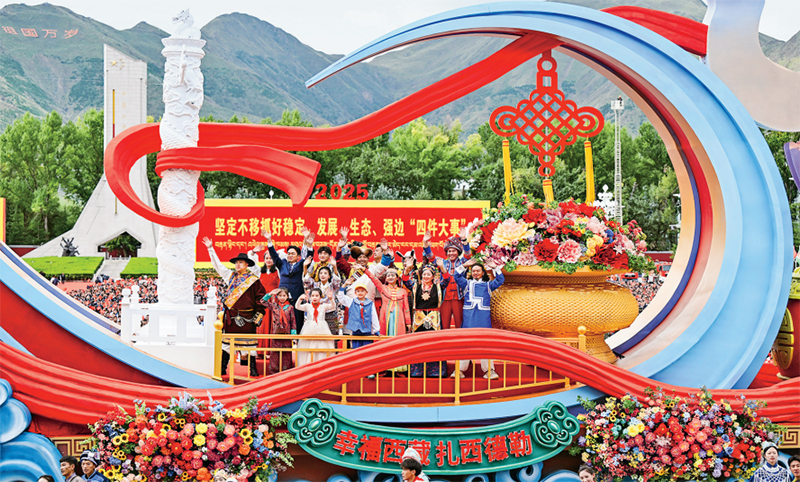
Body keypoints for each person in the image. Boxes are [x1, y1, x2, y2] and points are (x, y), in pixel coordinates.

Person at [203, 237, 266, 378]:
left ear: (247, 264)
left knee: (249, 345)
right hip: (231, 317)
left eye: (241, 262)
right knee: (227, 344)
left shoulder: (253, 279)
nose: (238, 265)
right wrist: (210, 248)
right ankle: (223, 368)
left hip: (248, 317)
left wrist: (259, 314)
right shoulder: (230, 276)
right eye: (236, 262)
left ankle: (252, 369)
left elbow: (260, 298)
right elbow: (218, 266)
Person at [451, 258, 504, 379]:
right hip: (469, 318)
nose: (475, 273)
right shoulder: (466, 284)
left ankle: (489, 371)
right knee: (465, 343)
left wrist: (495, 267)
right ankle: (459, 370)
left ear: (483, 273)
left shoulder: (488, 285)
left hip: (483, 318)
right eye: (473, 271)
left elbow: (500, 280)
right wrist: (465, 265)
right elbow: (456, 276)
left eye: (478, 271)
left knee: (486, 343)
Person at [404, 259, 450, 377]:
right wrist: (407, 269)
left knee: (434, 344)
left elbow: (447, 279)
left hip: (433, 318)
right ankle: (417, 371)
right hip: (419, 317)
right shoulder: (416, 286)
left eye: (428, 274)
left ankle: (435, 371)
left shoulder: (438, 286)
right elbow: (405, 280)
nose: (426, 276)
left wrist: (442, 267)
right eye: (424, 274)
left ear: (433, 276)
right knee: (418, 344)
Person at [365, 260, 410, 374]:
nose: (390, 277)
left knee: (398, 342)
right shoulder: (383, 288)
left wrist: (408, 322)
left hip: (399, 319)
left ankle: (398, 368)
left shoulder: (403, 291)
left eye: (393, 275)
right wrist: (364, 270)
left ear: (397, 278)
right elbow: (373, 278)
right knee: (384, 341)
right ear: (385, 278)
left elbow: (406, 308)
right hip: (385, 318)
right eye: (388, 275)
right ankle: (384, 367)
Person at [422, 229, 471, 329]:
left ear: (458, 252)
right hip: (444, 298)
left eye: (453, 251)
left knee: (460, 325)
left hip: (459, 298)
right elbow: (431, 257)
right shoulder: (443, 263)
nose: (451, 253)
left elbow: (467, 254)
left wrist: (464, 240)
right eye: (449, 251)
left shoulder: (462, 262)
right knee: (444, 325)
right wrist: (425, 243)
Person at [262, 228, 307, 333]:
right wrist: (269, 240)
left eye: (293, 254)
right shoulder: (282, 263)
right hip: (282, 298)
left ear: (298, 257)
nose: (290, 255)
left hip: (296, 298)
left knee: (298, 323)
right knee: (281, 323)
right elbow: (274, 255)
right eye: (289, 253)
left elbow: (307, 257)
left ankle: (297, 343)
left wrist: (306, 240)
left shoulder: (301, 264)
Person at [260, 288, 297, 373]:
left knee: (286, 353)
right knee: (275, 353)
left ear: (287, 296)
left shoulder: (290, 307)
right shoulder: (274, 306)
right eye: (280, 295)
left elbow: (293, 321)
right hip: (276, 333)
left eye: (284, 295)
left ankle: (286, 371)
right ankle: (274, 371)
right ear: (277, 296)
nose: (282, 297)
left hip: (287, 334)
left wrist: (293, 334)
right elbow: (262, 301)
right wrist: (270, 294)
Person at [295, 288, 336, 366]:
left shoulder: (323, 306)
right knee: (309, 346)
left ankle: (321, 364)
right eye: (313, 296)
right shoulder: (308, 306)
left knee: (322, 346)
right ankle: (308, 364)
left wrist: (331, 299)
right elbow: (297, 306)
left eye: (317, 296)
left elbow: (333, 306)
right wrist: (300, 299)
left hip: (322, 328)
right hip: (309, 328)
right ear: (310, 297)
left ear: (320, 297)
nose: (314, 297)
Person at [337, 281, 380, 349]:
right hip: (356, 330)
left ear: (366, 292)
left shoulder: (370, 303)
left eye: (362, 291)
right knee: (356, 350)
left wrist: (376, 330)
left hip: (367, 331)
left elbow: (374, 317)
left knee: (367, 349)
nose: (360, 293)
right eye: (358, 291)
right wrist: (344, 285)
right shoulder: (352, 301)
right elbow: (341, 297)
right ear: (355, 293)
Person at [303, 260, 342, 336]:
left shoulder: (333, 285)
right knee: (317, 333)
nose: (322, 275)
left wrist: (334, 267)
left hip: (330, 312)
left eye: (325, 273)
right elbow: (306, 280)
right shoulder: (315, 285)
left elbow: (337, 280)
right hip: (317, 312)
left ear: (329, 276)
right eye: (321, 273)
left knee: (332, 333)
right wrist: (305, 266)